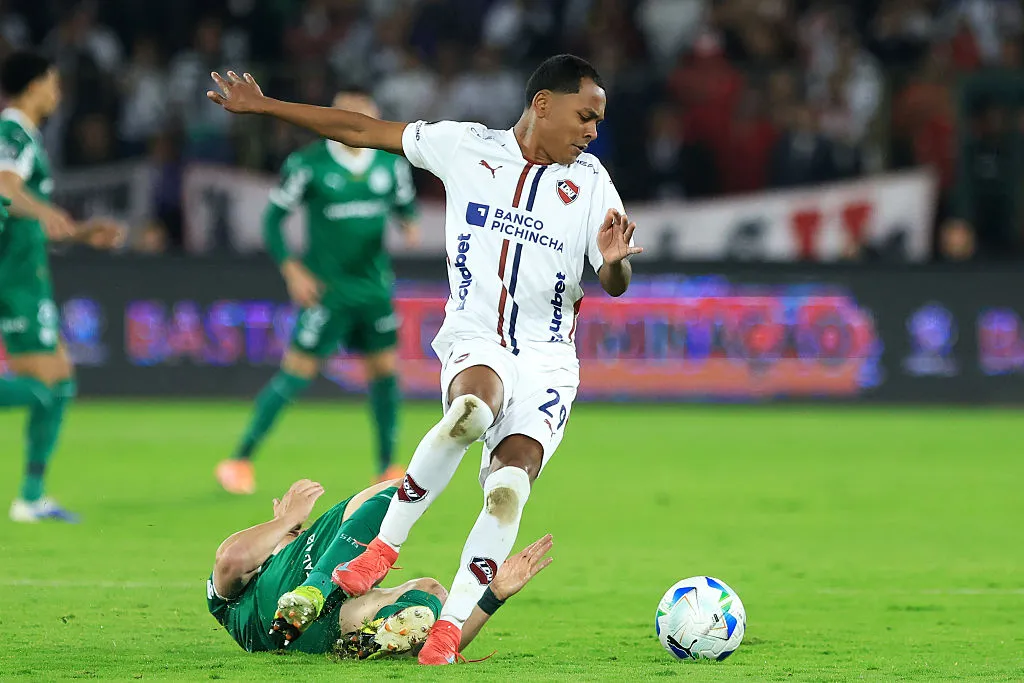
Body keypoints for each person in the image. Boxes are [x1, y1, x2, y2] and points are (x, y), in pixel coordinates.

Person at [207, 53, 640, 665]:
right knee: (472, 409)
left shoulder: (593, 182)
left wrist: (615, 260)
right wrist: (265, 106)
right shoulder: (464, 147)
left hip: (548, 361)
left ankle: (449, 629)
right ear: (543, 103)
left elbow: (615, 279)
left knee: (509, 488)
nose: (593, 130)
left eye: (597, 120)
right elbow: (361, 131)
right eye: (585, 115)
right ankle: (383, 547)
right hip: (477, 339)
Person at [216, 87, 420, 495]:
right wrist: (292, 270)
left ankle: (386, 466)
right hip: (329, 292)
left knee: (384, 374)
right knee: (295, 374)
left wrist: (410, 225)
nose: (355, 118)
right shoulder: (308, 164)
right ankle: (239, 460)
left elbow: (405, 212)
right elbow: (273, 220)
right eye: (346, 111)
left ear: (374, 113)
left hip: (374, 289)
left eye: (363, 110)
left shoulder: (391, 166)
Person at [208, 478, 553, 659]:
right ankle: (314, 588)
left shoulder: (264, 566)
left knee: (429, 591)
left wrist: (493, 595)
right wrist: (287, 522)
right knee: (399, 489)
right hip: (290, 602)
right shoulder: (283, 550)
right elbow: (232, 560)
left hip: (314, 633)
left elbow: (441, 646)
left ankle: (373, 636)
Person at [0, 50, 122, 523]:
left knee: (60, 383)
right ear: (32, 86)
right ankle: (30, 497)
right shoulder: (12, 131)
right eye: (52, 81)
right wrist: (47, 212)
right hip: (13, 281)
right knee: (45, 387)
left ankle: (32, 495)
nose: (57, 90)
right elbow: (7, 188)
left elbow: (24, 210)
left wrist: (81, 232)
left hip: (26, 277)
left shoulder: (24, 135)